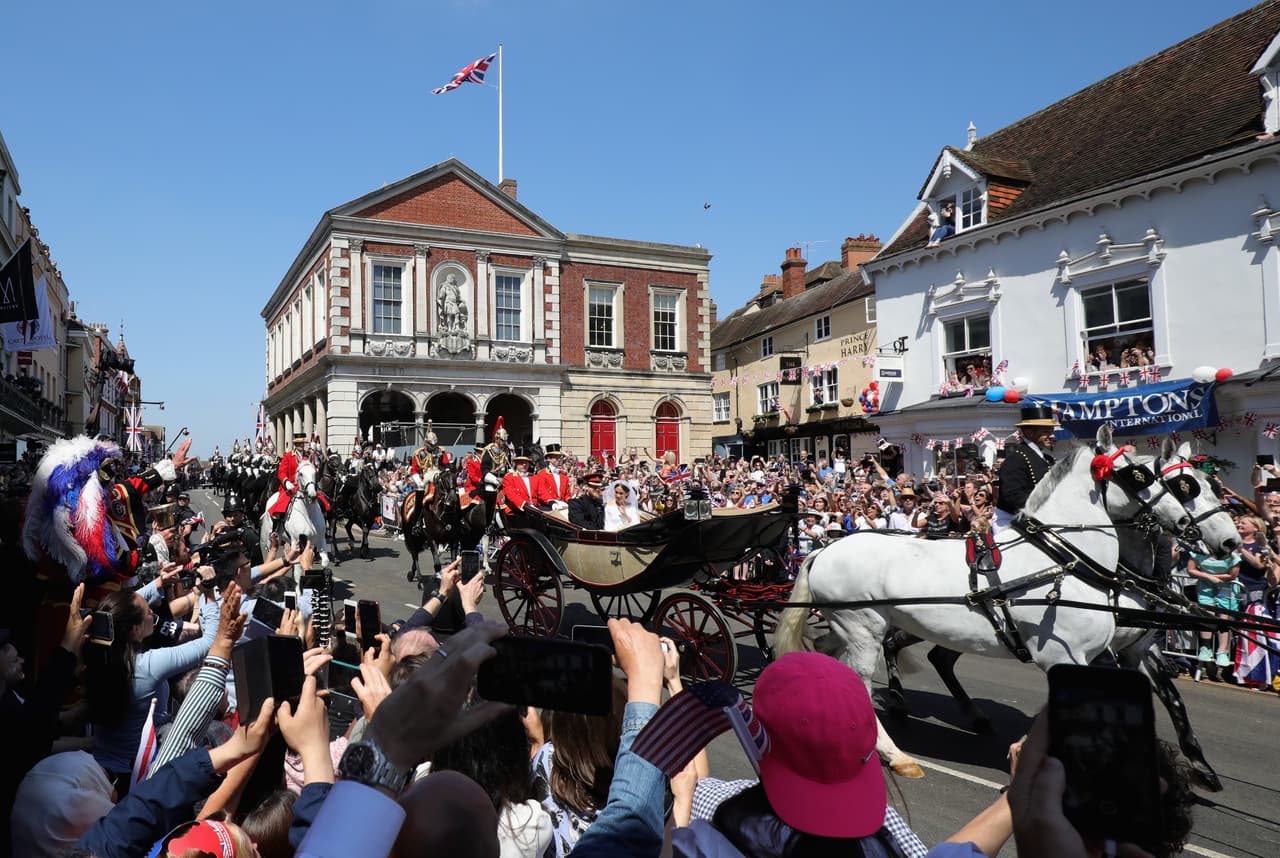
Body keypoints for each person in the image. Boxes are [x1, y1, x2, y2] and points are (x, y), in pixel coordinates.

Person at [676, 651, 1008, 858]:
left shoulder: (709, 830)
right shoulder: (887, 827)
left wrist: (671, 685)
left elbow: (693, 785)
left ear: (756, 739)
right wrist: (1017, 795)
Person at [994, 404, 1059, 532]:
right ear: (1029, 432)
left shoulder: (1047, 458)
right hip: (1012, 521)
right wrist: (1047, 505)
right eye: (1046, 432)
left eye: (1052, 431)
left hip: (1037, 518)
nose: (1052, 436)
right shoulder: (1016, 458)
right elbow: (1012, 496)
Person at [1186, 548, 1242, 669]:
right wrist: (1207, 577)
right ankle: (1205, 647)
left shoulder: (1231, 554)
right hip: (1205, 586)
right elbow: (1191, 569)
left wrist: (1215, 577)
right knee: (1207, 614)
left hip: (1224, 586)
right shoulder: (1199, 551)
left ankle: (1222, 651)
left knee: (1223, 615)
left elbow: (1233, 574)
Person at [268, 433, 310, 538]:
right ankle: (276, 529)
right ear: (295, 444)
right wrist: (286, 482)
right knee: (282, 504)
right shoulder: (288, 456)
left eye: (302, 443)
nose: (301, 445)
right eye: (298, 443)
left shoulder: (308, 456)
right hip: (290, 486)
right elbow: (281, 472)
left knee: (321, 502)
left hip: (305, 487)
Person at [533, 444, 572, 510]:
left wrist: (570, 501)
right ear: (549, 459)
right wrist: (552, 502)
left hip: (562, 507)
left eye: (560, 457)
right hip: (547, 507)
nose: (559, 460)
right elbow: (541, 492)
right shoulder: (542, 474)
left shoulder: (564, 475)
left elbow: (567, 494)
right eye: (556, 457)